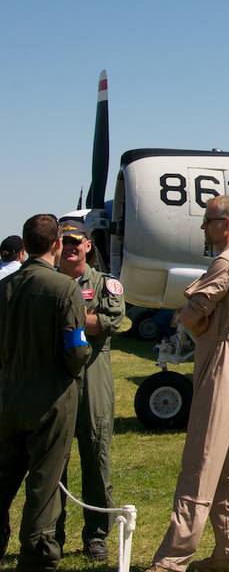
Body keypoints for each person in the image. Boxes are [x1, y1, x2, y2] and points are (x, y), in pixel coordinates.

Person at [147, 195, 229, 572]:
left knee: (201, 458)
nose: (203, 227)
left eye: (209, 220)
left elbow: (192, 316)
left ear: (226, 223)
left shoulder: (226, 262)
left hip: (222, 359)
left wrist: (188, 313)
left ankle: (172, 559)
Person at [0, 214, 90, 571]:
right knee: (44, 485)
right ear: (55, 245)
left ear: (24, 246)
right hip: (50, 398)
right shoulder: (63, 288)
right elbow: (76, 347)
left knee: (4, 477)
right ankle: (37, 557)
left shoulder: (5, 286)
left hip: (8, 396)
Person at [54, 219, 125, 562]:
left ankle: (96, 535)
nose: (69, 246)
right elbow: (92, 322)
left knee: (97, 455)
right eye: (63, 241)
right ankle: (51, 534)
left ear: (87, 246)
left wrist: (66, 314)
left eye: (75, 241)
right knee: (54, 460)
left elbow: (110, 322)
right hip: (55, 379)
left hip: (93, 375)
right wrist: (86, 316)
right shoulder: (47, 281)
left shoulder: (105, 283)